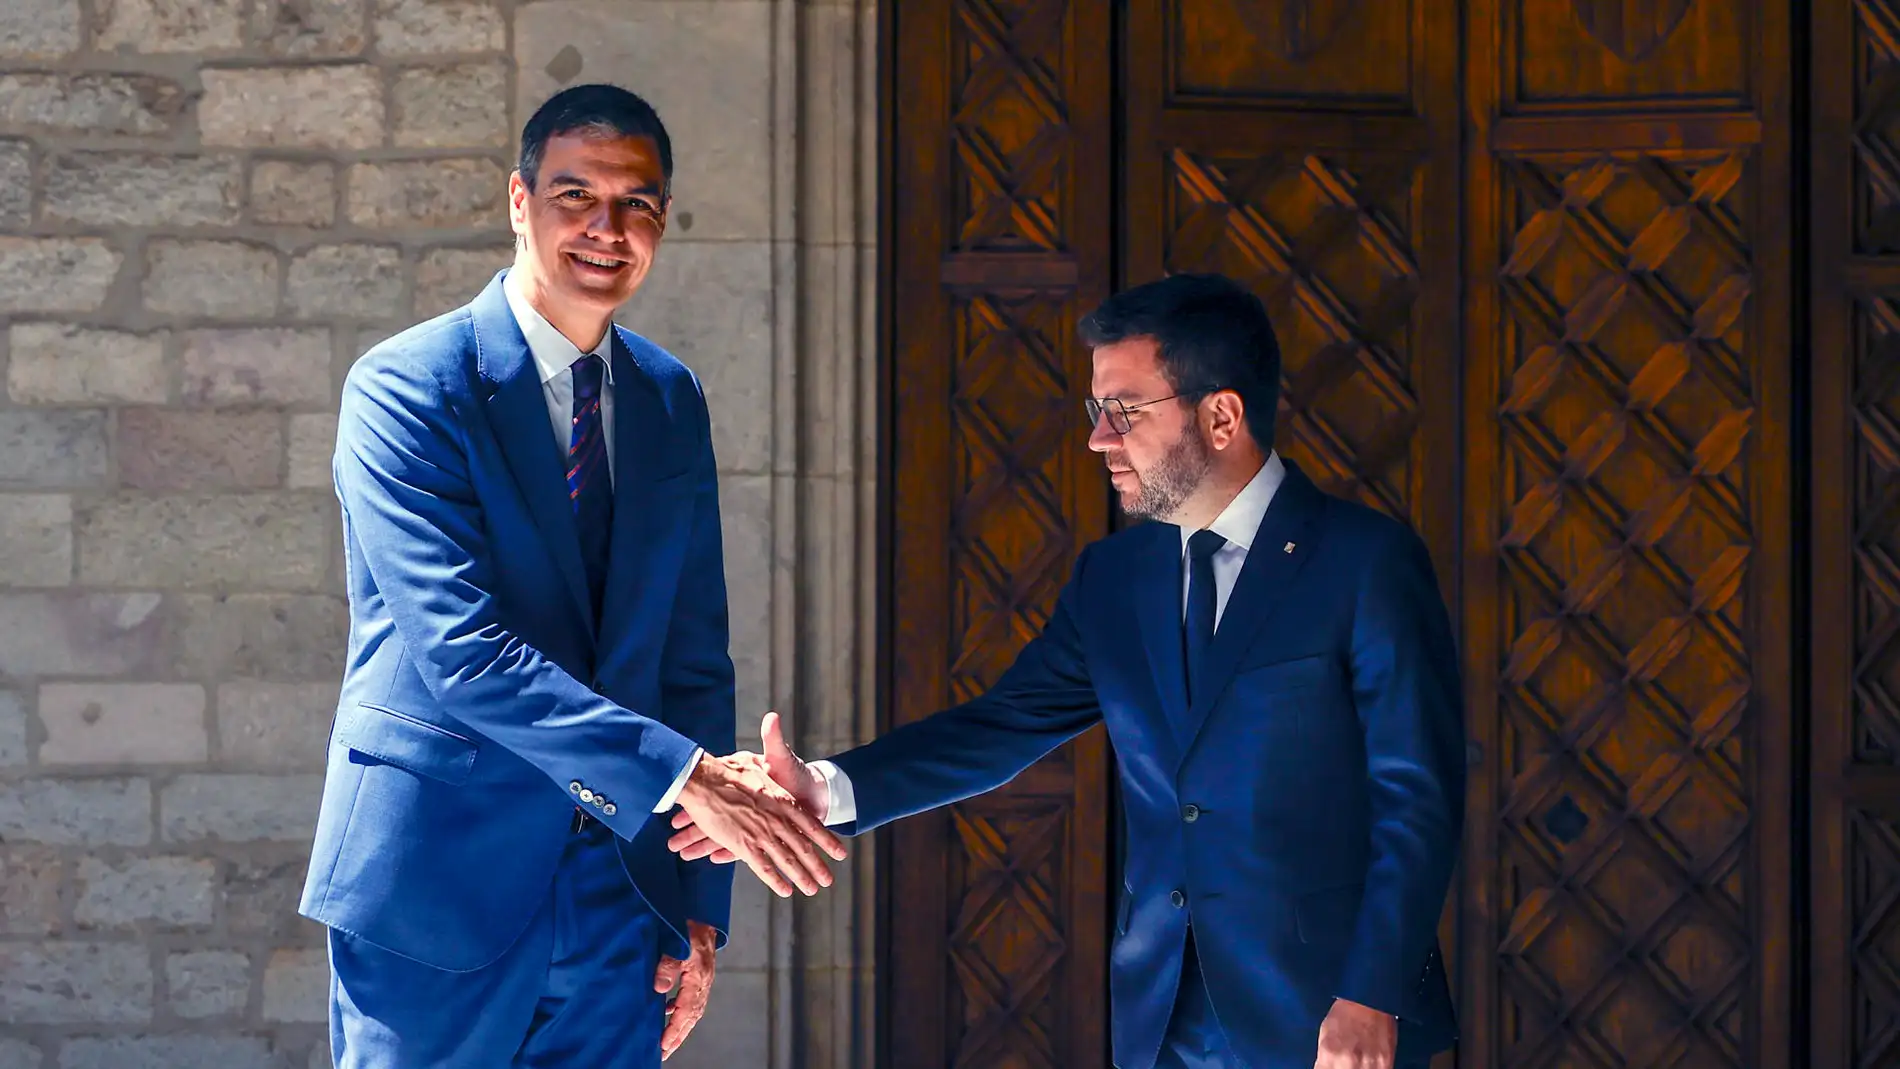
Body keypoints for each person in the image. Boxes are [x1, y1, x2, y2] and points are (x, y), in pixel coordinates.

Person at [672, 273, 1465, 1069]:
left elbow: (1418, 798)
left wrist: (1373, 995)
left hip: (1333, 1018)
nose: (1098, 439)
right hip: (1162, 1023)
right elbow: (1001, 726)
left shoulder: (1365, 563)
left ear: (1222, 416)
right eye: (1097, 410)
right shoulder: (1113, 579)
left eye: (1124, 411)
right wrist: (827, 788)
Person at [300, 83, 847, 1069]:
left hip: (621, 902)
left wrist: (696, 903)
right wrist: (689, 777)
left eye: (636, 203)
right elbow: (462, 652)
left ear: (663, 221)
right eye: (575, 196)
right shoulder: (407, 387)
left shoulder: (671, 398)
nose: (608, 228)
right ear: (519, 201)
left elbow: (692, 656)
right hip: (438, 881)